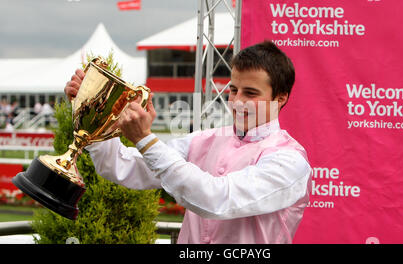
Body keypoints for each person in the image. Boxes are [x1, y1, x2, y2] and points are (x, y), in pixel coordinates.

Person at [64, 41, 312, 244]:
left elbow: (217, 199)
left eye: (251, 93)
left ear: (280, 98)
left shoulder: (290, 160)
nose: (237, 101)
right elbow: (121, 167)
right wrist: (92, 113)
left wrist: (146, 140)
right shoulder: (205, 139)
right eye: (233, 90)